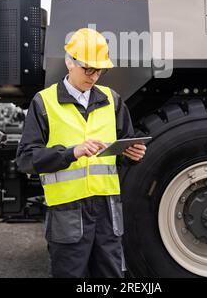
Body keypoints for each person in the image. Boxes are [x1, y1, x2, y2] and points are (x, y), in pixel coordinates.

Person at [16, 27, 146, 278]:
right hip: (68, 210)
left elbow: (121, 149)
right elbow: (25, 159)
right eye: (88, 68)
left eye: (100, 70)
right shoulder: (44, 103)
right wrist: (71, 153)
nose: (94, 76)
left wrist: (130, 155)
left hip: (107, 209)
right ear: (69, 62)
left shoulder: (113, 100)